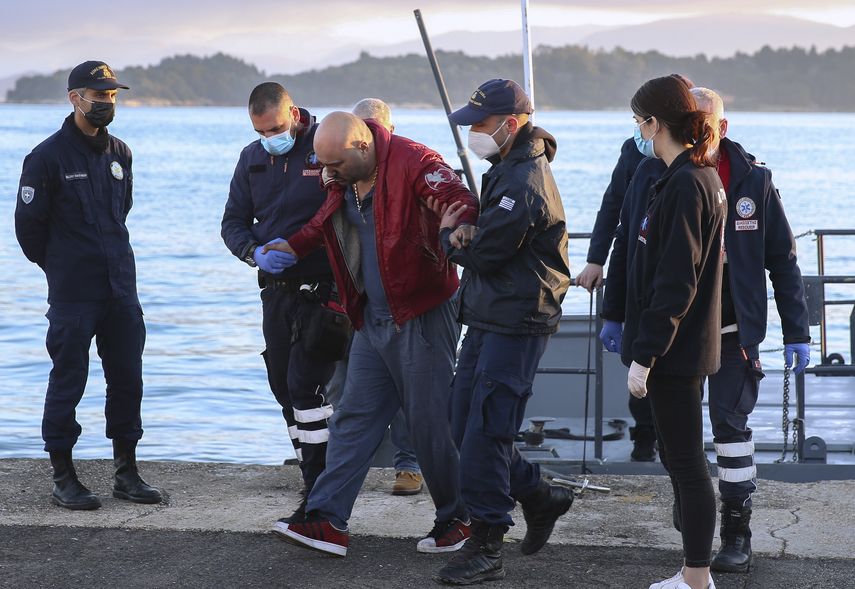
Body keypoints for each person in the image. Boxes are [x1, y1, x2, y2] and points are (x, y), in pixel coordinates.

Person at [606, 87, 811, 573]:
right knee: (674, 437)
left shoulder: (752, 180)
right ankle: (691, 503)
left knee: (730, 428)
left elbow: (782, 259)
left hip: (732, 329)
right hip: (674, 334)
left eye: (705, 120)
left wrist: (797, 331)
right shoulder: (652, 173)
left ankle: (736, 529)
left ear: (722, 126)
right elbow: (627, 244)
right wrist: (614, 312)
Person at [266, 111, 479, 557]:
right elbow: (327, 218)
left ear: (362, 146)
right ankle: (327, 519)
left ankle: (458, 518)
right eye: (323, 165)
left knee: (428, 424)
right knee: (353, 418)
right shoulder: (343, 174)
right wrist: (294, 246)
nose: (328, 173)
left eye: (334, 165)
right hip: (371, 317)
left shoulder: (413, 160)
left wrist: (458, 226)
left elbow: (457, 198)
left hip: (420, 314)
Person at [431, 78, 574, 585]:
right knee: (460, 422)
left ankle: (488, 541)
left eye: (481, 124)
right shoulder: (507, 167)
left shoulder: (523, 180)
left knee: (488, 430)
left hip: (519, 318)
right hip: (491, 313)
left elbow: (489, 254)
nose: (473, 132)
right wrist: (472, 233)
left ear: (510, 125)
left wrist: (449, 236)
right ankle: (538, 494)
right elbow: (493, 239)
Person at [14, 61, 161, 510]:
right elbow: (28, 230)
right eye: (99, 96)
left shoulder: (120, 153)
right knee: (68, 380)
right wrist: (62, 266)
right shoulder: (46, 158)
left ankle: (126, 474)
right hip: (74, 292)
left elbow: (122, 211)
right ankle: (64, 477)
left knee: (128, 379)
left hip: (121, 287)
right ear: (75, 98)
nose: (107, 103)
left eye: (112, 96)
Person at [221, 82, 348, 522]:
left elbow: (342, 212)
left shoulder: (324, 147)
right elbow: (232, 222)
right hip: (276, 289)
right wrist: (252, 251)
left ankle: (320, 492)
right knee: (282, 387)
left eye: (275, 129)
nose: (269, 138)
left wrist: (302, 247)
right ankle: (312, 477)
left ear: (293, 114)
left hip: (323, 287)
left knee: (305, 386)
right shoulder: (252, 158)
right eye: (260, 131)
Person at [620, 76, 726, 589]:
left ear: (653, 124)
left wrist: (646, 355)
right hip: (681, 347)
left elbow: (677, 280)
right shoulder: (689, 176)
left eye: (638, 121)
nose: (637, 131)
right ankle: (691, 571)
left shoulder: (687, 183)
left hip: (675, 353)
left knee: (687, 464)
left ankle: (697, 577)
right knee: (681, 459)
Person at [579, 74, 694, 462]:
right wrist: (596, 259)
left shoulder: (697, 168)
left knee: (679, 365)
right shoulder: (635, 155)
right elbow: (614, 204)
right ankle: (644, 436)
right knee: (639, 358)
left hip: (681, 277)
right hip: (638, 270)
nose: (639, 128)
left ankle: (678, 442)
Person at [350, 97, 423, 497]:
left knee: (412, 390)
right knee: (355, 394)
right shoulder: (346, 174)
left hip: (409, 302)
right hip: (362, 301)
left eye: (371, 131)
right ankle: (343, 475)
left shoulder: (410, 167)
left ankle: (410, 465)